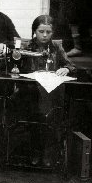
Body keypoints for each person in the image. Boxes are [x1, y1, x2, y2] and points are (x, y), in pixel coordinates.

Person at [11, 15, 76, 166]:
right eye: (41, 31)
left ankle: (47, 152)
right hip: (29, 92)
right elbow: (14, 68)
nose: (45, 35)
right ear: (34, 31)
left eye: (48, 32)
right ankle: (35, 151)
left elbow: (71, 65)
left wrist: (65, 68)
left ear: (53, 33)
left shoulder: (57, 48)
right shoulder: (26, 47)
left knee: (52, 117)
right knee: (36, 114)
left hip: (51, 94)